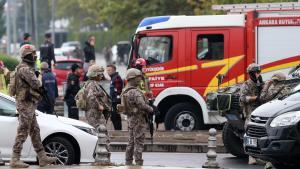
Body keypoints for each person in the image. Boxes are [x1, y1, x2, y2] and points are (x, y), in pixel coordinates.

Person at [10, 44, 57, 168]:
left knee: (35, 131)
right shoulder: (24, 69)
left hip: (28, 103)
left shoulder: (24, 68)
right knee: (23, 131)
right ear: (27, 56)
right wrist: (39, 76)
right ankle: (15, 158)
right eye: (33, 54)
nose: (35, 56)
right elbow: (36, 84)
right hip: (25, 104)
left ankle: (42, 158)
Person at [121, 68, 153, 166]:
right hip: (139, 120)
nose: (139, 80)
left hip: (131, 119)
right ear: (132, 79)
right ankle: (138, 163)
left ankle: (128, 161)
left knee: (131, 141)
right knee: (139, 142)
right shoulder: (135, 92)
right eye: (138, 78)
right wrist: (151, 109)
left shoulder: (125, 90)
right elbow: (142, 105)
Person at [239, 63, 263, 165]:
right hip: (250, 113)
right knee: (249, 133)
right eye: (256, 72)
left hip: (261, 112)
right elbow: (243, 98)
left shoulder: (260, 83)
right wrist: (255, 98)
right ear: (251, 73)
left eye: (259, 72)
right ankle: (251, 156)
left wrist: (262, 85)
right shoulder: (246, 84)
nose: (257, 74)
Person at [106, 64, 123, 130]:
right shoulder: (113, 77)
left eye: (109, 70)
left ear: (114, 70)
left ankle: (118, 131)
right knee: (114, 117)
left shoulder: (116, 78)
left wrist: (115, 101)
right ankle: (118, 130)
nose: (107, 72)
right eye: (107, 70)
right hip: (113, 101)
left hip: (116, 101)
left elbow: (118, 91)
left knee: (115, 117)